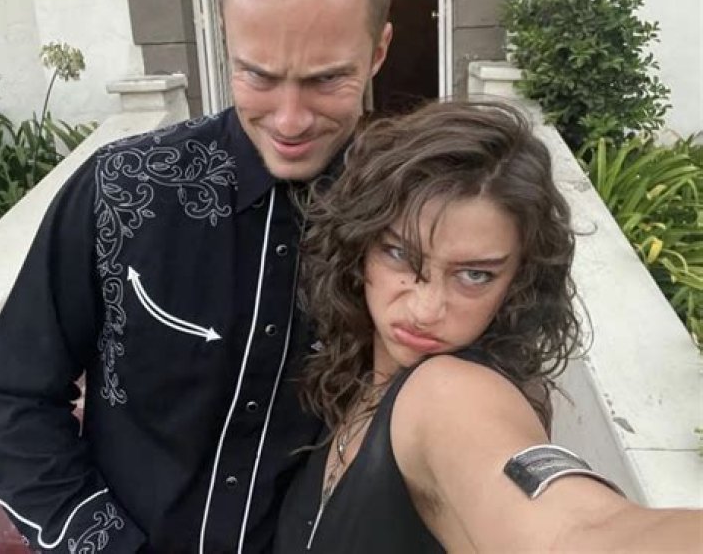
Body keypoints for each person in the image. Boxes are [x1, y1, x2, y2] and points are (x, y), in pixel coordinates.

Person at [0, 0, 392, 553]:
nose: (290, 120)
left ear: (378, 52)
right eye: (258, 76)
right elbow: (10, 395)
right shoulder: (119, 188)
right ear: (225, 43)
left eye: (325, 80)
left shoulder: (410, 215)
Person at [274, 100, 702, 553]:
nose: (425, 309)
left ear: (518, 282)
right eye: (399, 254)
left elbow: (579, 533)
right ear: (358, 245)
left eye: (474, 275)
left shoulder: (450, 394)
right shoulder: (352, 374)